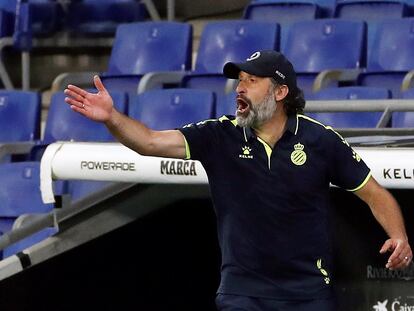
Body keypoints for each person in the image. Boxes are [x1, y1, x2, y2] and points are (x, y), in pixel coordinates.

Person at [64, 50, 412, 311]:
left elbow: (373, 193)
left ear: (279, 93)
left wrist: (398, 236)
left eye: (251, 81)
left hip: (308, 294)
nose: (240, 89)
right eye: (239, 80)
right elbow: (150, 142)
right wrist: (111, 118)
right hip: (242, 292)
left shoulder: (321, 140)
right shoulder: (218, 136)